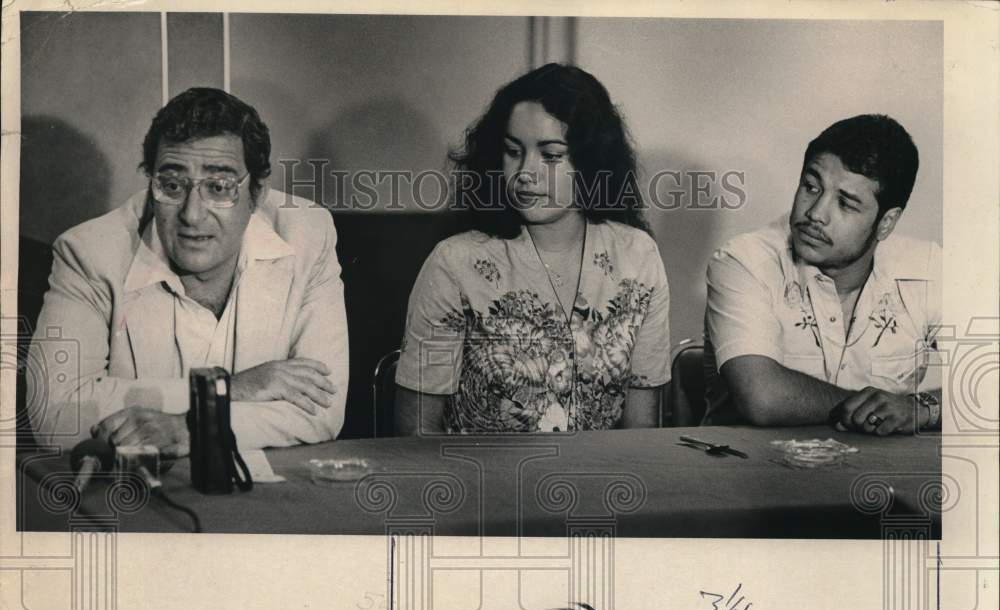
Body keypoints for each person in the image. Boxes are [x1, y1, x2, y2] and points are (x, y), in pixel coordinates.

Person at [27, 87, 348, 456]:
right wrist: (229, 389)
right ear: (151, 183)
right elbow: (55, 416)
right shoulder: (89, 254)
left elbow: (323, 407)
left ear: (257, 193)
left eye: (219, 186)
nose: (192, 214)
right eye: (173, 185)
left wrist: (189, 428)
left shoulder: (308, 235)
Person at [395, 63, 671, 434]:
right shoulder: (455, 264)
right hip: (479, 485)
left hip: (603, 484)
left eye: (551, 155)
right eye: (513, 151)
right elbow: (416, 434)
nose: (526, 172)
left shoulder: (638, 257)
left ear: (591, 160)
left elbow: (642, 433)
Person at [703, 114, 942, 435]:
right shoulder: (744, 260)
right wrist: (879, 412)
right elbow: (762, 397)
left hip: (879, 479)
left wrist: (919, 408)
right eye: (811, 187)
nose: (815, 213)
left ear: (886, 222)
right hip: (751, 474)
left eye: (846, 203)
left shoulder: (928, 267)